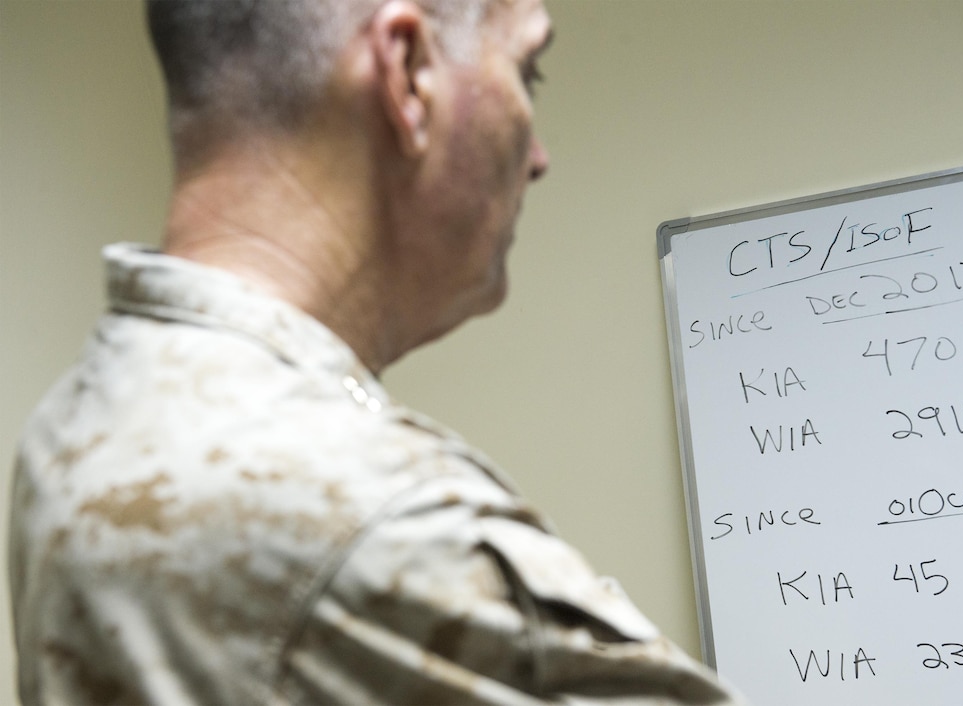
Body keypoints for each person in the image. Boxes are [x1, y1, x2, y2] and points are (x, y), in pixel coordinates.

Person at [8, 0, 744, 703]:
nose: (539, 157)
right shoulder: (371, 519)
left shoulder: (70, 434)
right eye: (528, 72)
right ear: (408, 71)